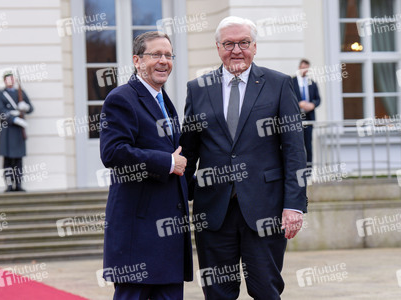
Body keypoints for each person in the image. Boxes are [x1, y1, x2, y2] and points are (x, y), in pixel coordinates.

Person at [180, 16, 307, 300]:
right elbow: (189, 150)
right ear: (217, 47)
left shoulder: (279, 84)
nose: (236, 50)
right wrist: (177, 198)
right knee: (217, 293)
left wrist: (294, 206)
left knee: (266, 290)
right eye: (229, 44)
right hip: (213, 213)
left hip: (265, 209)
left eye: (244, 43)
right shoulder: (197, 89)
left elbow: (295, 150)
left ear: (255, 46)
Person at [99, 31, 193, 300]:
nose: (164, 61)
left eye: (168, 55)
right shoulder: (121, 98)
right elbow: (112, 153)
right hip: (138, 240)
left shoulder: (166, 103)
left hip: (169, 243)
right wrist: (167, 162)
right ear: (137, 61)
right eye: (156, 55)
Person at [0, 71, 33, 192]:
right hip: (7, 129)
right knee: (7, 159)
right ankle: (9, 185)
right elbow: (1, 111)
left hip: (18, 132)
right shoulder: (0, 94)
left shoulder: (20, 93)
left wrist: (25, 107)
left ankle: (18, 184)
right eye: (8, 79)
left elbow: (31, 108)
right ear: (5, 81)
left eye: (12, 79)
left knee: (18, 160)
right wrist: (14, 119)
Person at [292, 59, 321, 166]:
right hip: (296, 118)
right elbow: (288, 98)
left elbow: (318, 99)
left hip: (309, 118)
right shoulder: (292, 82)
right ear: (299, 68)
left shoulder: (312, 83)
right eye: (302, 67)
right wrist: (298, 104)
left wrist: (312, 105)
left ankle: (308, 169)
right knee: (296, 144)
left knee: (308, 144)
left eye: (306, 68)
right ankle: (298, 167)